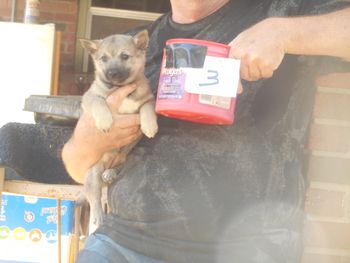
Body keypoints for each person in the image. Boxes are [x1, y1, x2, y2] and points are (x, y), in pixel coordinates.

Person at [62, 0, 350, 262]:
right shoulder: (135, 46)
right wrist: (88, 136)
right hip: (123, 244)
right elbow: (77, 167)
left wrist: (282, 33)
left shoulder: (281, 12)